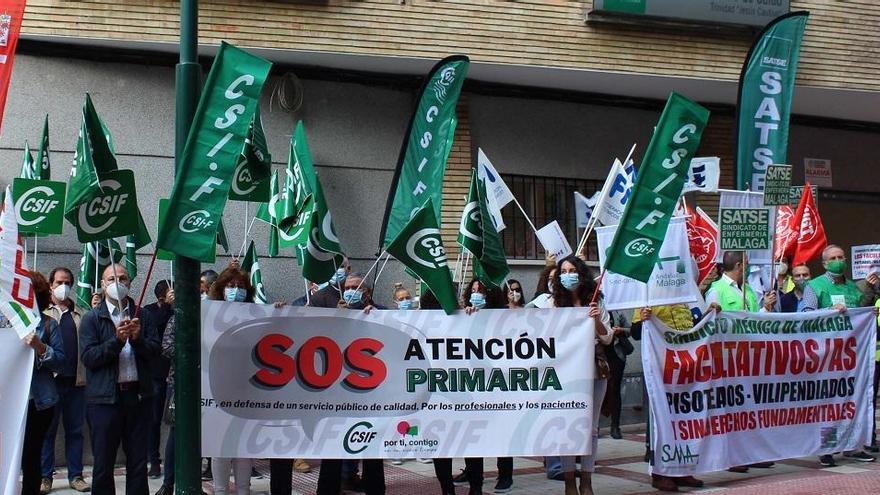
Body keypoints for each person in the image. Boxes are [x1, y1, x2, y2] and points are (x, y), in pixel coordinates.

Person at [79, 264, 160, 495]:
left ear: (129, 282)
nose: (118, 282)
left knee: (137, 462)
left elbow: (155, 352)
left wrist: (137, 340)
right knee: (103, 463)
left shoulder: (142, 315)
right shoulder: (92, 318)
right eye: (111, 279)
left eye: (123, 278)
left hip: (138, 397)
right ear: (103, 285)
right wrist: (116, 341)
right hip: (104, 401)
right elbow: (89, 358)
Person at [801, 244, 878, 466]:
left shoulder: (853, 287)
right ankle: (827, 448)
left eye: (841, 257)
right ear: (825, 263)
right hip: (827, 357)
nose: (839, 260)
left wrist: (870, 294)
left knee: (852, 401)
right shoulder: (814, 286)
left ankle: (853, 446)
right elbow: (805, 315)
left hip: (852, 357)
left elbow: (861, 312)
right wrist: (829, 313)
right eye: (833, 258)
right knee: (829, 403)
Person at [550, 256, 610, 495]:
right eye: (563, 271)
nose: (567, 275)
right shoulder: (553, 304)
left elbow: (607, 337)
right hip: (566, 371)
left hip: (594, 367)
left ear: (581, 274)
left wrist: (595, 319)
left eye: (572, 270)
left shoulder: (596, 301)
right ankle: (568, 482)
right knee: (567, 426)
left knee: (591, 429)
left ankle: (587, 479)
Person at [631, 304, 704, 492]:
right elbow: (636, 333)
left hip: (685, 366)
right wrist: (645, 319)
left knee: (684, 418)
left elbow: (696, 326)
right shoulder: (646, 298)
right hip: (660, 367)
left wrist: (711, 313)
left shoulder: (684, 298)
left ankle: (682, 469)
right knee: (662, 420)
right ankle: (660, 473)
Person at [206, 267, 256, 495]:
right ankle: (220, 491)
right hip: (217, 389)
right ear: (221, 289)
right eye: (231, 286)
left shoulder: (257, 313)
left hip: (249, 389)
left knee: (243, 446)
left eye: (241, 287)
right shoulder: (208, 314)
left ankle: (244, 490)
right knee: (220, 446)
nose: (236, 291)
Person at [40, 267, 90, 494]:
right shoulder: (43, 312)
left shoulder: (79, 312)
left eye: (68, 282)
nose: (64, 286)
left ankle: (76, 475)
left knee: (75, 430)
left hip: (76, 382)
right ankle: (45, 477)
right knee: (47, 431)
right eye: (59, 282)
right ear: (50, 284)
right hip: (50, 381)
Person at [22, 271, 66, 495]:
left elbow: (60, 362)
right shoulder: (6, 324)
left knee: (30, 454)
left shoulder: (48, 325)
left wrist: (41, 347)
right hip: (10, 400)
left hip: (39, 402)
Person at [142, 280, 175, 480]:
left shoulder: (180, 310)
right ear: (161, 296)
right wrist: (167, 308)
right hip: (155, 373)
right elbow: (157, 330)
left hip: (174, 374)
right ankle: (153, 461)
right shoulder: (149, 311)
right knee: (154, 419)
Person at [857, 270, 880, 453]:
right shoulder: (874, 294)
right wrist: (870, 290)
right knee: (869, 400)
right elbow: (861, 314)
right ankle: (869, 439)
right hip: (873, 359)